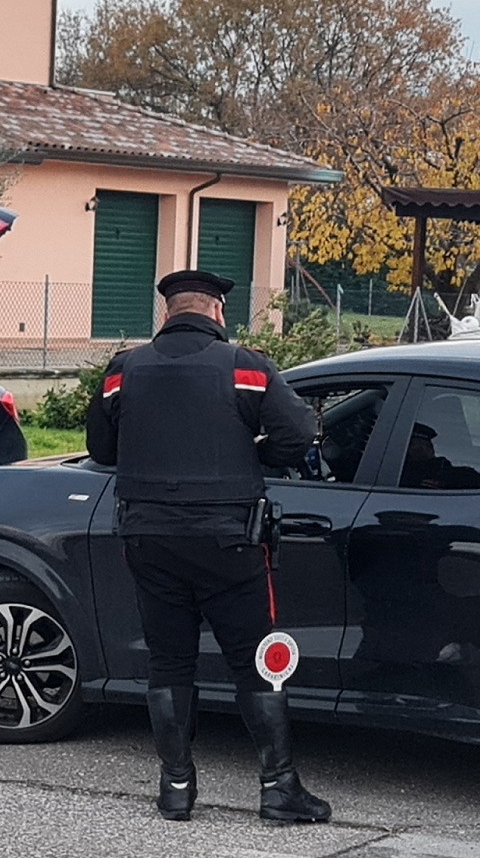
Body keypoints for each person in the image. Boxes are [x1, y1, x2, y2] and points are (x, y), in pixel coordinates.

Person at [85, 269, 330, 823]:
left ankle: (175, 789)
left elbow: (100, 448)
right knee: (257, 663)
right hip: (230, 543)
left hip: (148, 540)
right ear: (218, 311)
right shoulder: (245, 366)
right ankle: (278, 788)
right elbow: (297, 438)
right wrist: (252, 453)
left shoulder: (124, 370)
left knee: (169, 663)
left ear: (168, 314)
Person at [399, 422, 480, 490]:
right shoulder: (396, 474)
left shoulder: (463, 477)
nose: (408, 450)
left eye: (411, 445)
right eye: (408, 445)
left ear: (430, 448)